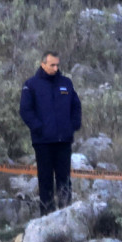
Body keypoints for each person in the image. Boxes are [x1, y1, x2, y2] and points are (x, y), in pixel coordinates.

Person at [19, 52, 82, 215]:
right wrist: (39, 128)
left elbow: (76, 106)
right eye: (52, 65)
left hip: (63, 140)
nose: (55, 68)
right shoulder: (31, 84)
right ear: (43, 64)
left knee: (64, 180)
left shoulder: (66, 83)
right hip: (43, 142)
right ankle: (46, 215)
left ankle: (66, 213)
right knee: (45, 180)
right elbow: (25, 110)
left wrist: (73, 125)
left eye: (57, 65)